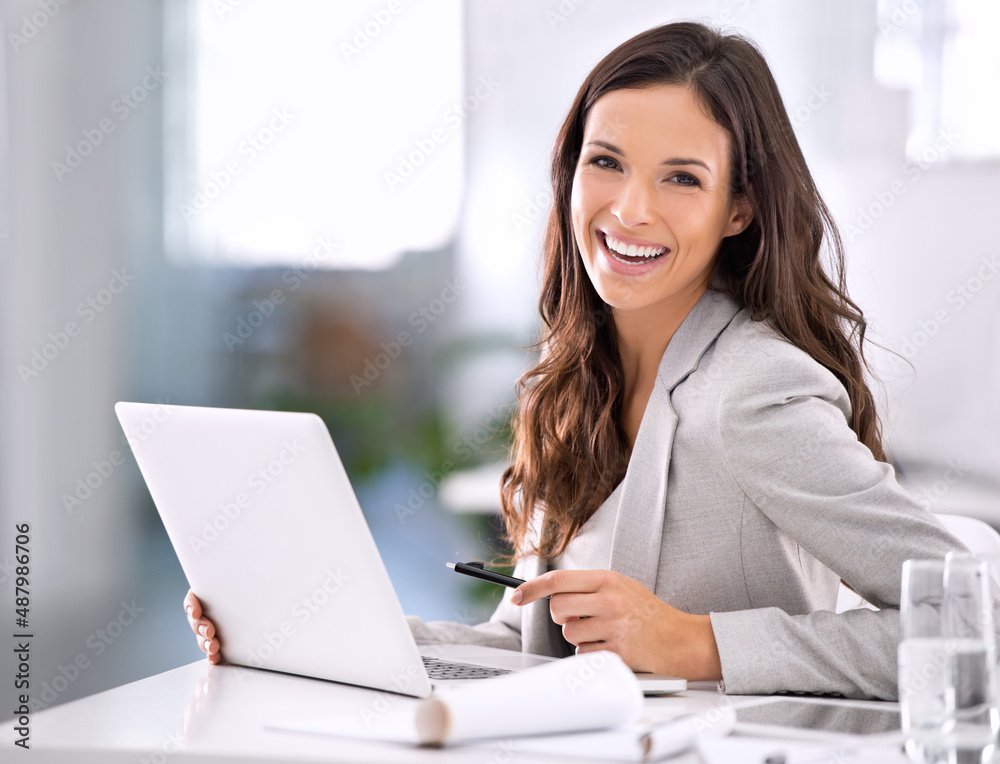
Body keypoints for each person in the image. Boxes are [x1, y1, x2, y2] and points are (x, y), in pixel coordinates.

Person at [185, 21, 966, 699]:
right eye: (607, 162)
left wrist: (698, 643)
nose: (629, 209)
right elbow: (519, 646)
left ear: (741, 208)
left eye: (682, 178)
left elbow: (973, 619)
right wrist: (304, 639)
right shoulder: (577, 378)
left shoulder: (754, 392)